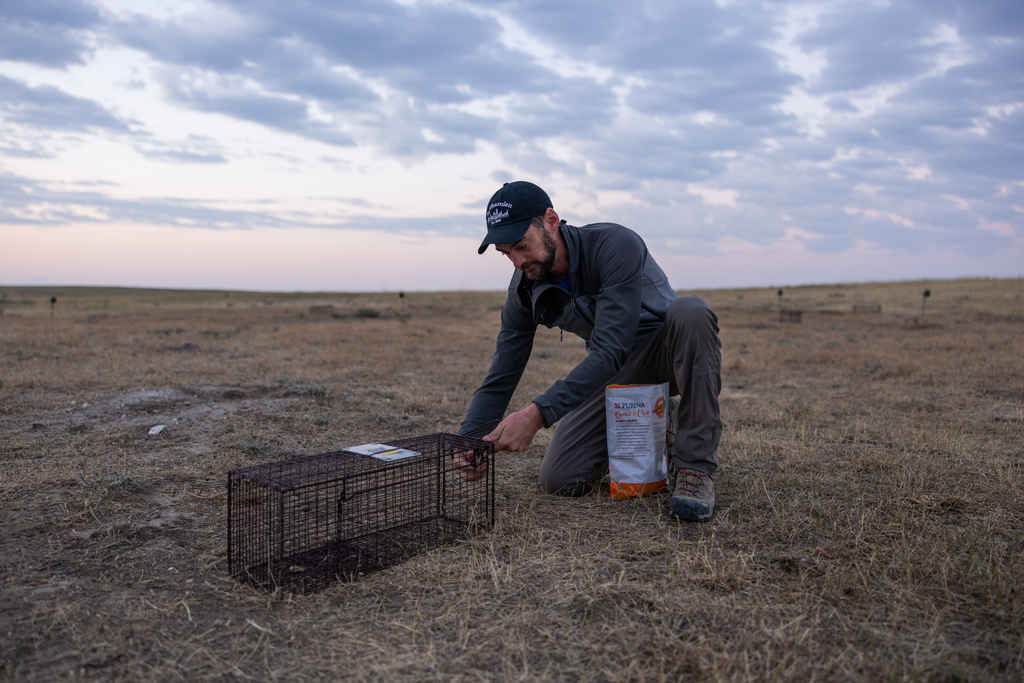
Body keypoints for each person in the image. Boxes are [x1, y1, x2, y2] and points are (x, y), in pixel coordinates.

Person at [455, 181, 722, 522]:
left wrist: (536, 414)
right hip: (615, 372)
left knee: (691, 312)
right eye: (506, 253)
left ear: (551, 220)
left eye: (522, 246)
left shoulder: (614, 245)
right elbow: (502, 374)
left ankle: (695, 467)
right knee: (560, 478)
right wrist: (469, 440)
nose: (517, 261)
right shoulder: (524, 290)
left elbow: (612, 348)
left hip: (668, 352)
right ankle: (657, 423)